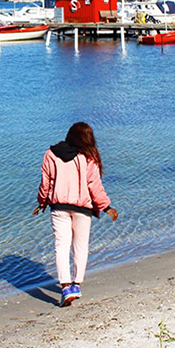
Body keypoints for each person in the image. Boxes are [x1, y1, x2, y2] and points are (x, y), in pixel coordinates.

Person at [33, 122, 118, 307]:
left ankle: (65, 286)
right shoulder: (88, 157)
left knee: (61, 247)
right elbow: (94, 186)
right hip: (82, 209)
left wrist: (42, 203)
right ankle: (76, 285)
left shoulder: (50, 154)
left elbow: (46, 183)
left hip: (59, 207)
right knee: (80, 247)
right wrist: (106, 206)